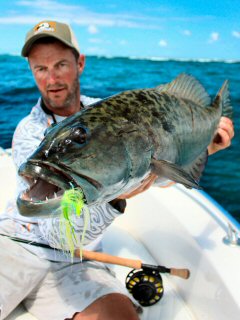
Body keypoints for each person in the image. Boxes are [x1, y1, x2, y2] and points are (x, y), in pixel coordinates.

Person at [0, 20, 234, 320]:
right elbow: (56, 231)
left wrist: (206, 148)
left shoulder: (114, 115)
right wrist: (113, 199)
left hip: (78, 259)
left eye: (60, 64)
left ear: (79, 63)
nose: (51, 78)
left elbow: (161, 179)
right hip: (18, 242)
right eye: (40, 69)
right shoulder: (28, 130)